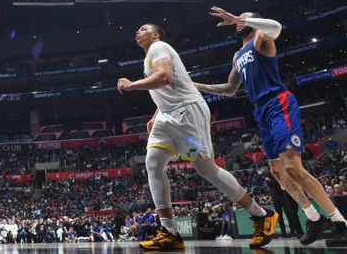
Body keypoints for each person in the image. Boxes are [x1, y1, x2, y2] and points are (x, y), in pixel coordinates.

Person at [195, 8, 347, 246]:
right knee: (278, 173)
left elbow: (276, 26)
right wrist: (198, 86)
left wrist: (241, 19)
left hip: (279, 103)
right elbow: (229, 88)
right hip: (261, 111)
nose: (238, 22)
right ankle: (313, 217)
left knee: (292, 166)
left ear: (254, 21)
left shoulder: (261, 38)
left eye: (245, 17)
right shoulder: (237, 55)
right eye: (238, 19)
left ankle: (339, 221)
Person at [117, 23, 278, 250]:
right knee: (152, 163)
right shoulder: (151, 55)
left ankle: (261, 214)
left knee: (205, 169)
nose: (137, 31)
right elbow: (169, 87)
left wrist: (132, 85)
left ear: (155, 35)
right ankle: (170, 231)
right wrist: (156, 114)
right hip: (167, 117)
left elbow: (164, 77)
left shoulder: (158, 46)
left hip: (187, 117)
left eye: (143, 28)